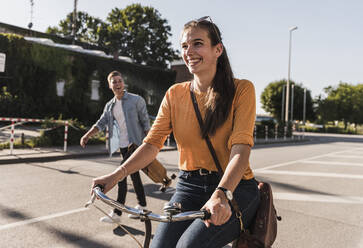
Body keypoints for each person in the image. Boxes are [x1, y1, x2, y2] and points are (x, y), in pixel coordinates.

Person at [91, 17, 260, 247]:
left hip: (234, 189)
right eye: (184, 46)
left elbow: (240, 150)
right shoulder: (174, 94)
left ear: (217, 49)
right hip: (189, 187)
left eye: (198, 43)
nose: (189, 51)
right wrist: (114, 176)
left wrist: (222, 194)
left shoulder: (241, 90)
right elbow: (151, 145)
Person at [81, 70, 150, 222]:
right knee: (134, 175)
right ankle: (143, 206)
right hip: (123, 146)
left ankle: (117, 213)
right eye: (114, 82)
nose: (118, 84)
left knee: (120, 177)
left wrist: (150, 141)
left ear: (123, 83)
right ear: (109, 85)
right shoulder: (110, 106)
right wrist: (87, 135)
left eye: (120, 81)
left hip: (135, 144)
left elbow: (145, 121)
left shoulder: (135, 100)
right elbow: (101, 123)